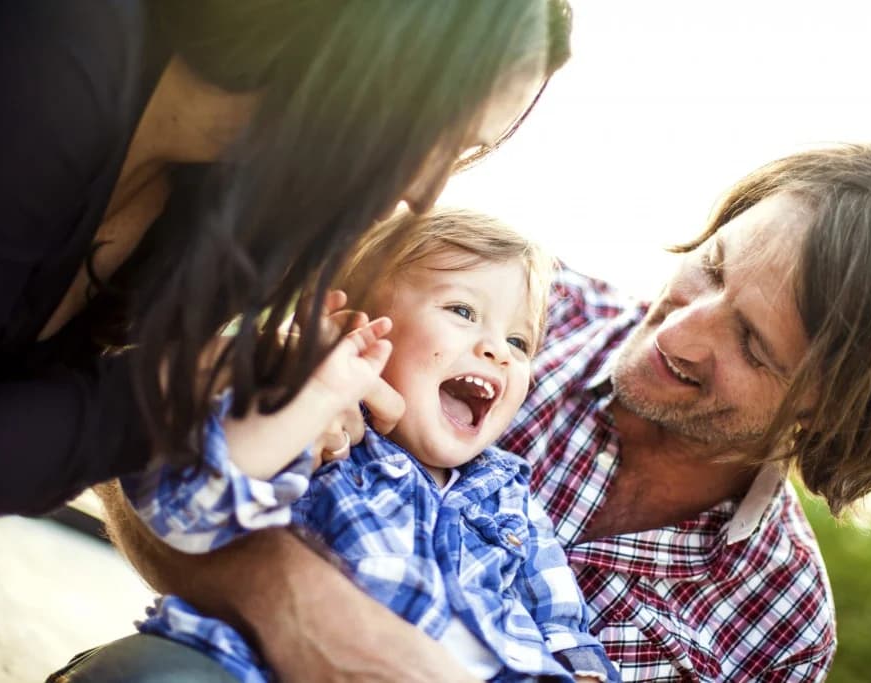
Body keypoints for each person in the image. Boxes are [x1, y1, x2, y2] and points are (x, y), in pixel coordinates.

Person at [72, 143, 871, 682]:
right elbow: (135, 426)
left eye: (754, 346)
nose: (680, 332)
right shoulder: (488, 305)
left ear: (830, 423)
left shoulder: (781, 627)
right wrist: (302, 605)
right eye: (712, 266)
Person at [0, 0, 572, 603]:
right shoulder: (38, 55)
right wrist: (186, 384)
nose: (429, 192)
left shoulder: (228, 215)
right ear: (369, 62)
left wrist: (241, 374)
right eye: (442, 134)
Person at [121, 208, 622, 682]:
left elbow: (563, 627)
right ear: (353, 328)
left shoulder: (511, 497)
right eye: (462, 310)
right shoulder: (325, 435)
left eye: (520, 342)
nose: (497, 350)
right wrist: (315, 395)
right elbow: (188, 508)